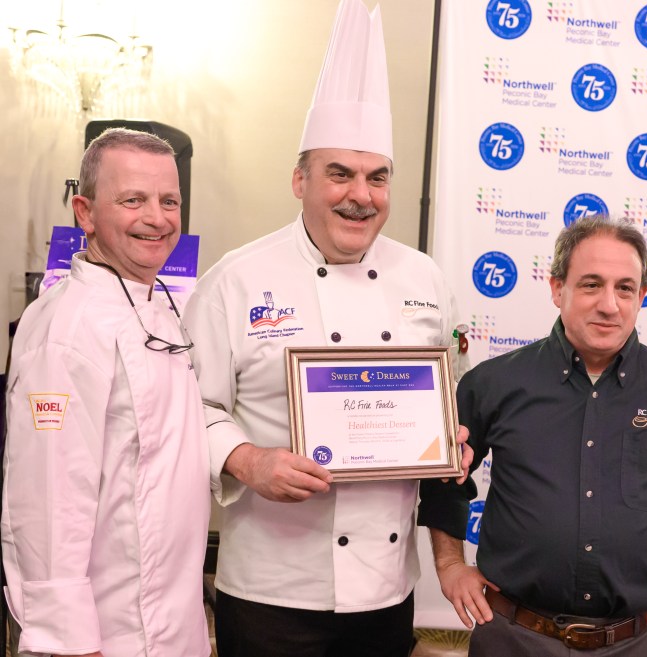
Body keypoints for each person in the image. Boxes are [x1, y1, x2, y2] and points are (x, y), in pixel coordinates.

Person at [182, 2, 470, 655]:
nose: (359, 195)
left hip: (386, 589)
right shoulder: (237, 278)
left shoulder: (425, 278)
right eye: (339, 173)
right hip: (271, 587)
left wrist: (448, 438)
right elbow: (187, 406)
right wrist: (246, 458)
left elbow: (448, 399)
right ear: (300, 179)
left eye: (377, 177)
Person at [426, 215, 647, 655]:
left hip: (635, 642)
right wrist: (450, 564)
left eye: (625, 288)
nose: (609, 304)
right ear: (556, 288)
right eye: (591, 284)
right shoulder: (493, 384)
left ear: (642, 295)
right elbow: (443, 476)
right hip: (512, 637)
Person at [2, 128, 211, 657]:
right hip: (105, 635)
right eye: (132, 200)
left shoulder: (159, 305)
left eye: (169, 201)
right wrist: (69, 640)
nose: (157, 218)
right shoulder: (65, 331)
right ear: (85, 212)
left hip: (171, 620)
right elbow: (48, 499)